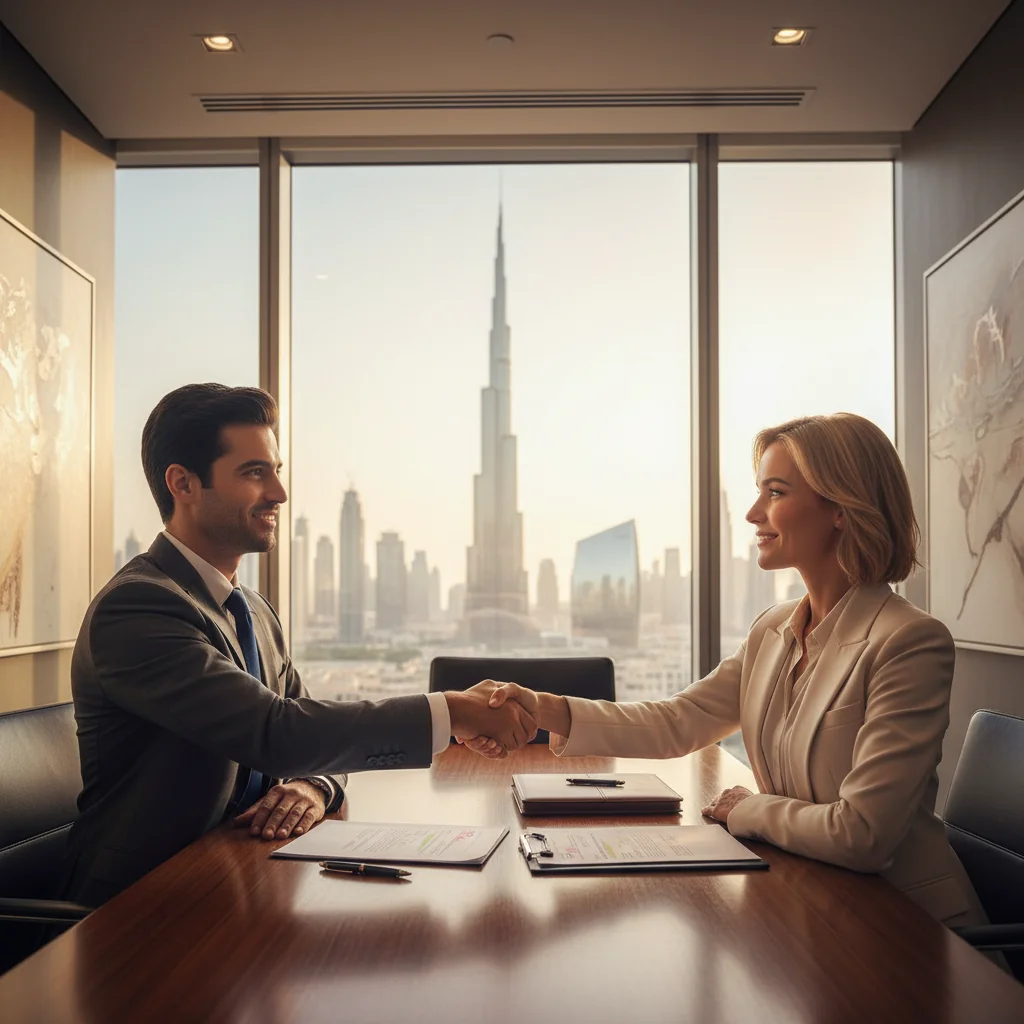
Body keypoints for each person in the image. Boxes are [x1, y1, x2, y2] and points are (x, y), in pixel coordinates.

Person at [467, 413, 985, 927]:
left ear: (842, 509)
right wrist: (545, 708)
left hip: (909, 928)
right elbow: (678, 720)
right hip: (811, 900)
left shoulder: (908, 641)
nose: (753, 513)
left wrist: (748, 809)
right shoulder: (773, 629)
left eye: (776, 493)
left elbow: (863, 835)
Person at [65, 383, 535, 907]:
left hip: (239, 882)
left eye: (276, 471)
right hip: (140, 910)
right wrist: (452, 711)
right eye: (253, 473)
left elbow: (311, 730)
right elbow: (279, 733)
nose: (279, 494)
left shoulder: (255, 612)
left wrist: (314, 787)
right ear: (183, 483)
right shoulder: (137, 610)